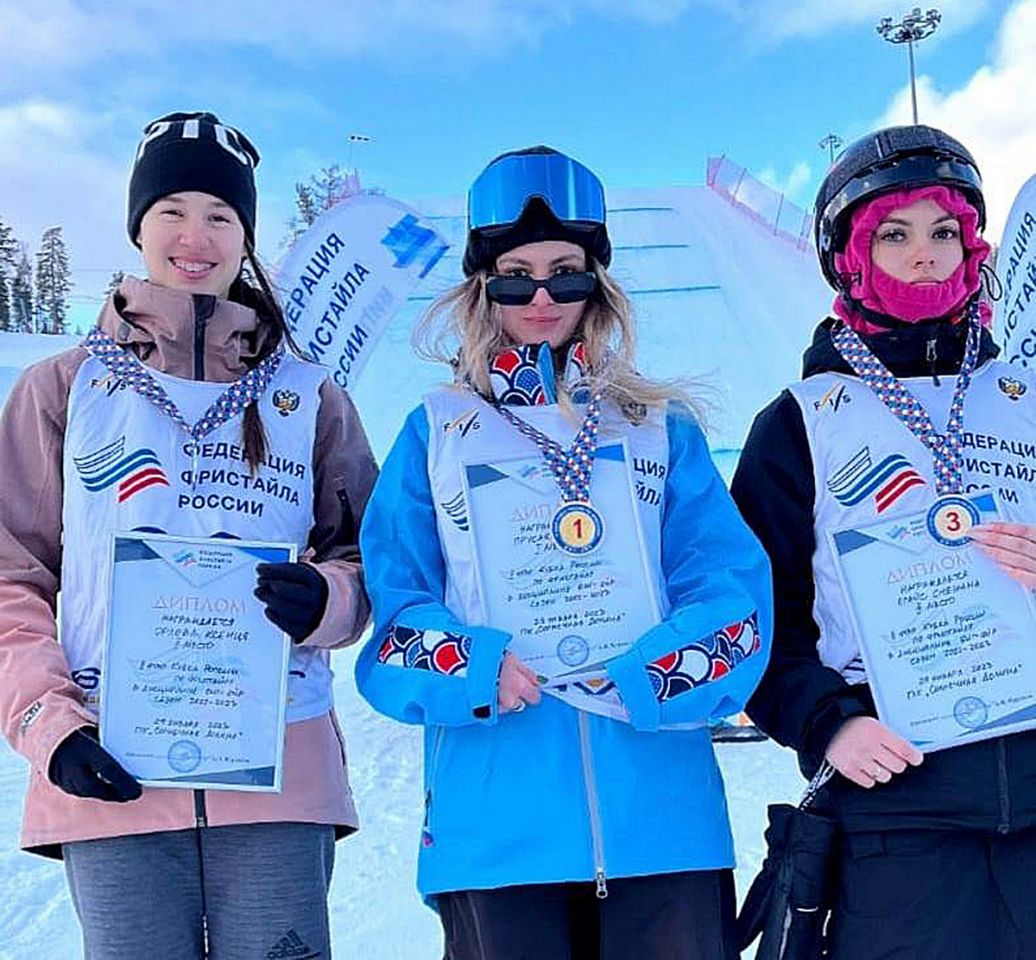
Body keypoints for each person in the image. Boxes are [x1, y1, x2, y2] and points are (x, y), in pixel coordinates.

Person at [356, 145, 773, 960]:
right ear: (483, 286)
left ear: (598, 284)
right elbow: (395, 620)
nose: (542, 297)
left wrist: (658, 674)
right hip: (496, 830)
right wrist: (472, 667)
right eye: (516, 276)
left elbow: (734, 597)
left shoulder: (658, 427)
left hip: (661, 824)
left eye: (566, 274)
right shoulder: (436, 432)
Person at [0, 111, 378, 958]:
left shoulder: (309, 395)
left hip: (277, 769)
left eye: (220, 214)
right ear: (139, 225)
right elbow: (10, 577)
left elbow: (368, 557)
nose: (194, 236)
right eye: (171, 210)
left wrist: (326, 599)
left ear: (247, 235)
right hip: (112, 767)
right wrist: (48, 725)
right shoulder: (62, 388)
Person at [732, 124, 1036, 959]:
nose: (924, 254)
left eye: (944, 232)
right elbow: (758, 618)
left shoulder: (1025, 398)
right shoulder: (801, 423)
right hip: (899, 809)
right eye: (893, 235)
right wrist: (826, 724)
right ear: (849, 257)